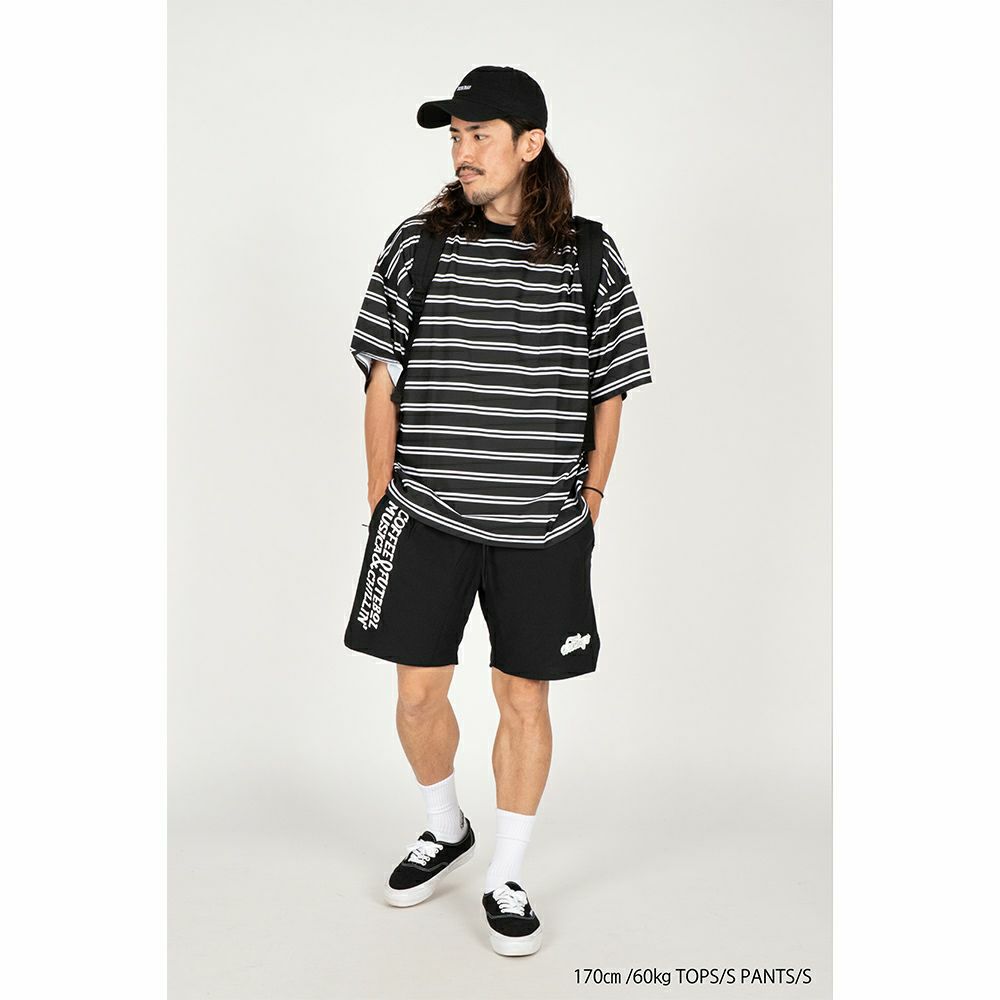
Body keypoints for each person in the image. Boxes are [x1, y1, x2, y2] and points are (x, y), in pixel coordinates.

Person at [343, 65, 653, 956]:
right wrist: (382, 497)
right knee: (416, 697)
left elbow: (611, 388)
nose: (462, 153)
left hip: (543, 528)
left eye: (479, 135)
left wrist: (591, 499)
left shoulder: (589, 254)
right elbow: (381, 378)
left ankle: (506, 873)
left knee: (524, 699)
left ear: (530, 143)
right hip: (425, 515)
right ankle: (446, 826)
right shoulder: (419, 245)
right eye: (455, 137)